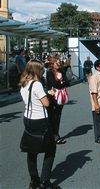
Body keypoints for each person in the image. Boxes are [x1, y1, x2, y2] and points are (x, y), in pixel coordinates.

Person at [20, 60, 58, 189]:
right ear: (37, 70)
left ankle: (34, 180)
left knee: (31, 150)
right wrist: (51, 95)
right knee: (50, 149)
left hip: (28, 117)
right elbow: (46, 103)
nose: (43, 72)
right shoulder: (37, 84)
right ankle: (45, 181)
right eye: (41, 69)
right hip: (40, 119)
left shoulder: (24, 83)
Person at [46, 58, 69, 145]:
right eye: (57, 63)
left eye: (59, 63)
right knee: (52, 116)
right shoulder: (50, 72)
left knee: (58, 116)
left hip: (61, 97)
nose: (59, 64)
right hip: (52, 97)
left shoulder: (62, 71)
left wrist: (61, 83)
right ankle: (53, 136)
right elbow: (54, 84)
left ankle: (56, 134)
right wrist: (62, 83)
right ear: (52, 64)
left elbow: (67, 82)